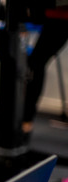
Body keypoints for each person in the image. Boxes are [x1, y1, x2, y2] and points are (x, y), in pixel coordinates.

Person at [22, 6, 68, 139]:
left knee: (35, 63)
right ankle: (24, 119)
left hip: (60, 18)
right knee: (33, 63)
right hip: (47, 16)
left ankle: (26, 120)